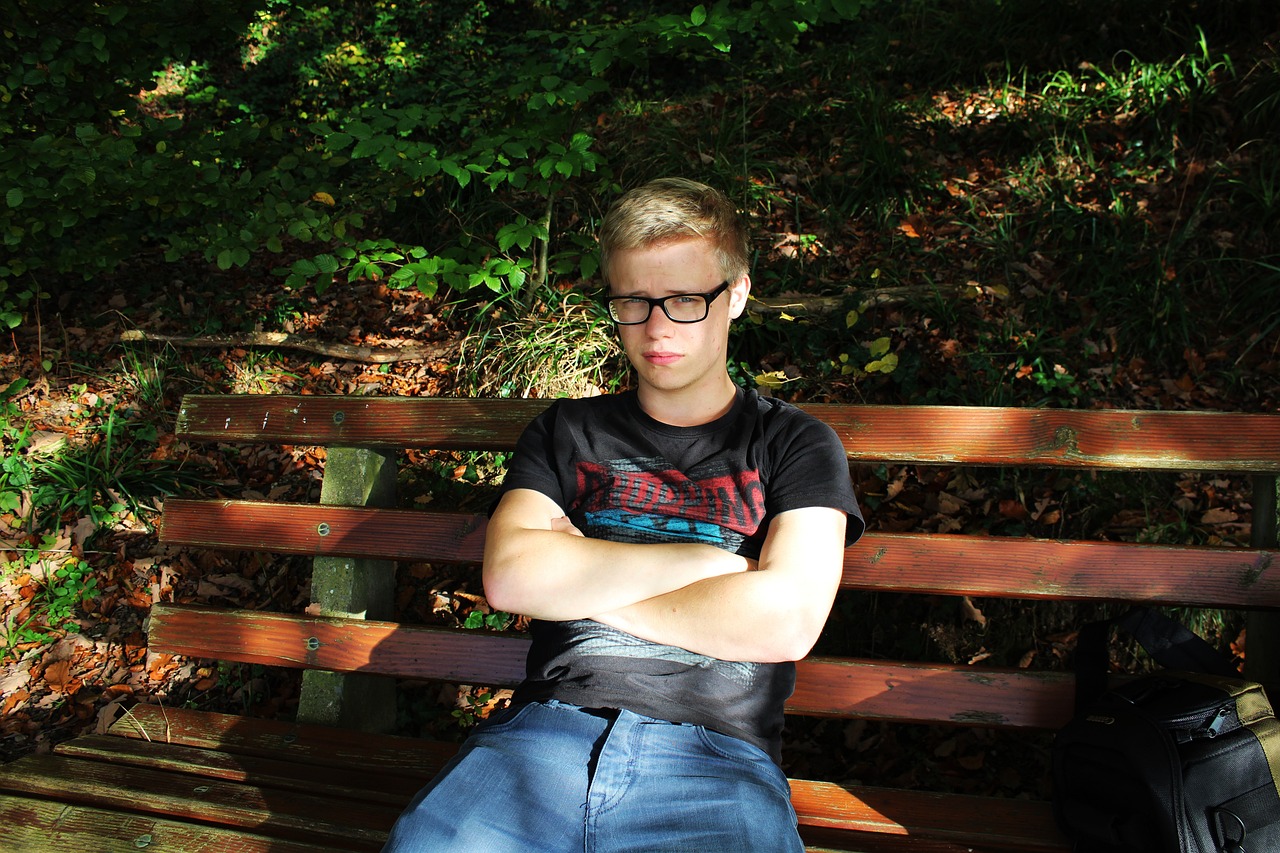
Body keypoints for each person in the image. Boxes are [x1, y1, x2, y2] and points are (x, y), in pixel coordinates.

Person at [382, 177, 864, 852]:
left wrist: (578, 579)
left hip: (716, 759)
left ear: (737, 294)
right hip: (542, 738)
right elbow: (513, 577)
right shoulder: (566, 432)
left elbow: (786, 620)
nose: (657, 327)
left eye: (686, 300)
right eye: (633, 301)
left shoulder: (795, 444)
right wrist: (712, 567)